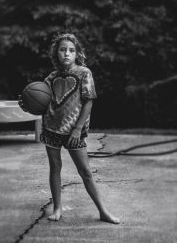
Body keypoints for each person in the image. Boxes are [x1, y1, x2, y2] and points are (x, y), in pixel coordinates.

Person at [29, 32, 121, 224]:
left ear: (77, 53)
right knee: (55, 167)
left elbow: (89, 102)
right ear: (57, 53)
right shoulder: (50, 78)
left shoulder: (84, 73)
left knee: (85, 172)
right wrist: (28, 103)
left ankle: (103, 211)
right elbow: (39, 101)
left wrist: (78, 128)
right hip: (52, 129)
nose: (67, 54)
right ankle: (57, 208)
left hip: (73, 131)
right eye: (63, 50)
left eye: (71, 50)